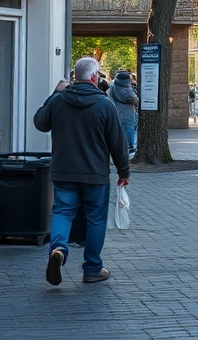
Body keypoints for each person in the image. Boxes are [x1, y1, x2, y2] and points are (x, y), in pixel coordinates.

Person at [33, 56, 129, 286]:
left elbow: (40, 122)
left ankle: (57, 249)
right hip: (95, 174)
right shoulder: (105, 104)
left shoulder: (59, 101)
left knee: (63, 212)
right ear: (95, 77)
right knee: (96, 219)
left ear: (75, 76)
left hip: (64, 172)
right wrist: (123, 171)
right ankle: (93, 268)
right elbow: (118, 141)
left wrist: (55, 93)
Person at [109, 70, 139, 154]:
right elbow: (135, 101)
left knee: (119, 128)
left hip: (116, 109)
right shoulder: (128, 89)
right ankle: (130, 145)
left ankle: (120, 145)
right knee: (129, 127)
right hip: (127, 111)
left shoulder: (112, 86)